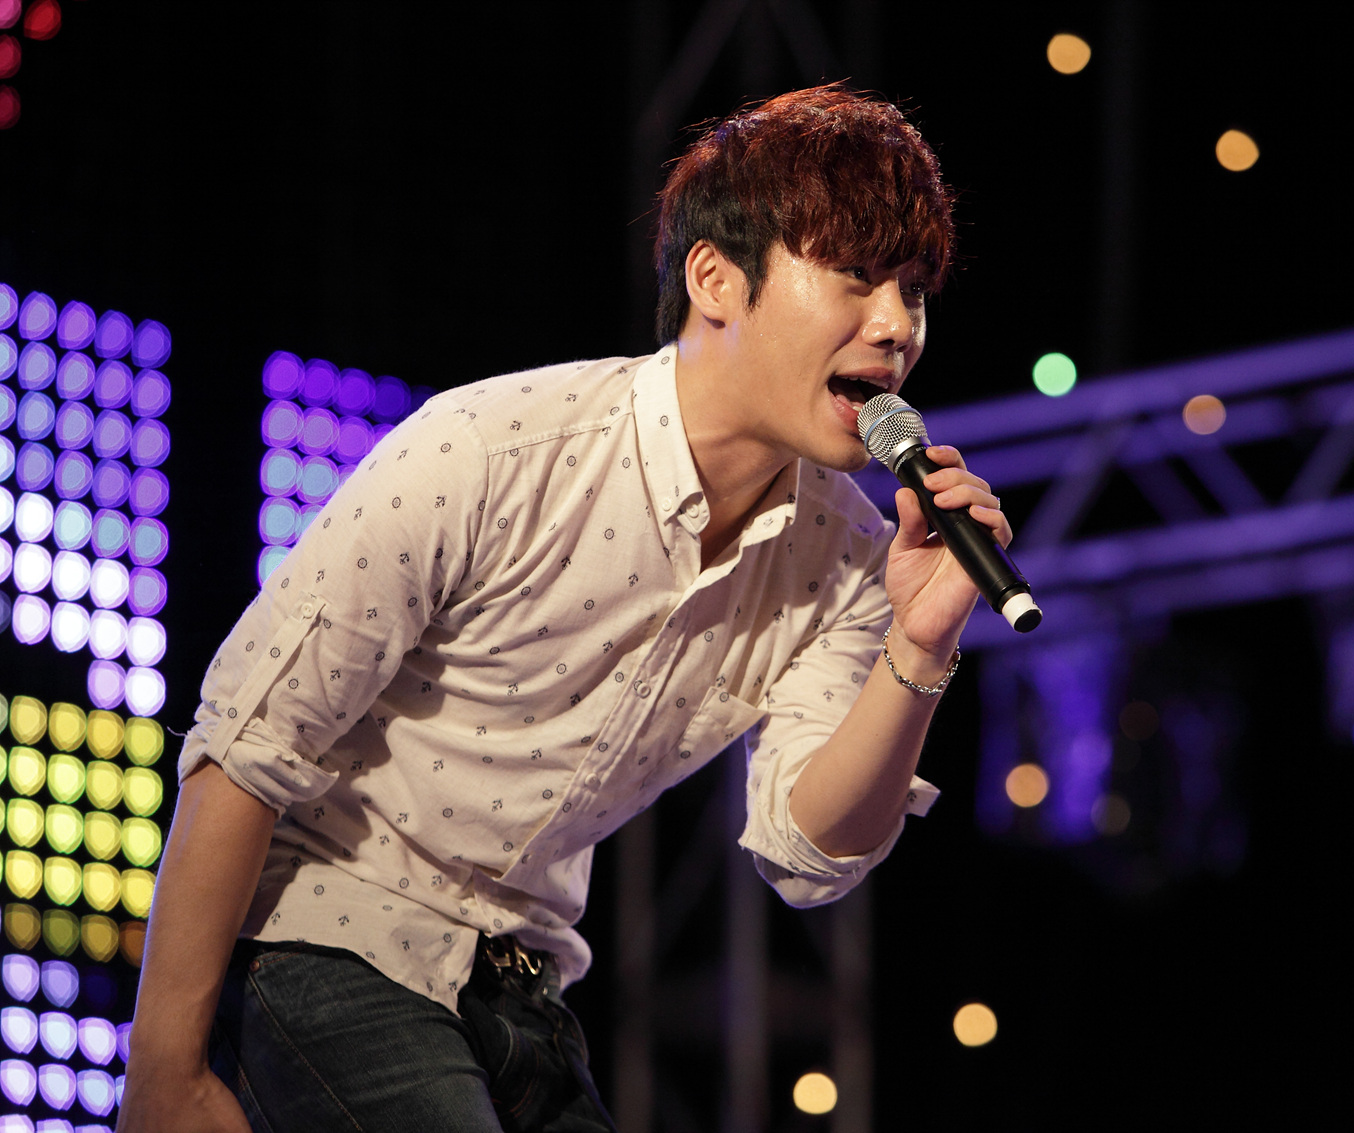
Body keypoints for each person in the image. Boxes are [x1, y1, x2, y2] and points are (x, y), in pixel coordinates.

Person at [117, 84, 1010, 1133]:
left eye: (914, 290)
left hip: (522, 997)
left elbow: (807, 850)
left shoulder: (854, 556)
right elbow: (250, 738)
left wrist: (919, 645)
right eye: (857, 276)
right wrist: (163, 1073)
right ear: (716, 280)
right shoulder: (491, 450)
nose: (896, 326)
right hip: (325, 942)